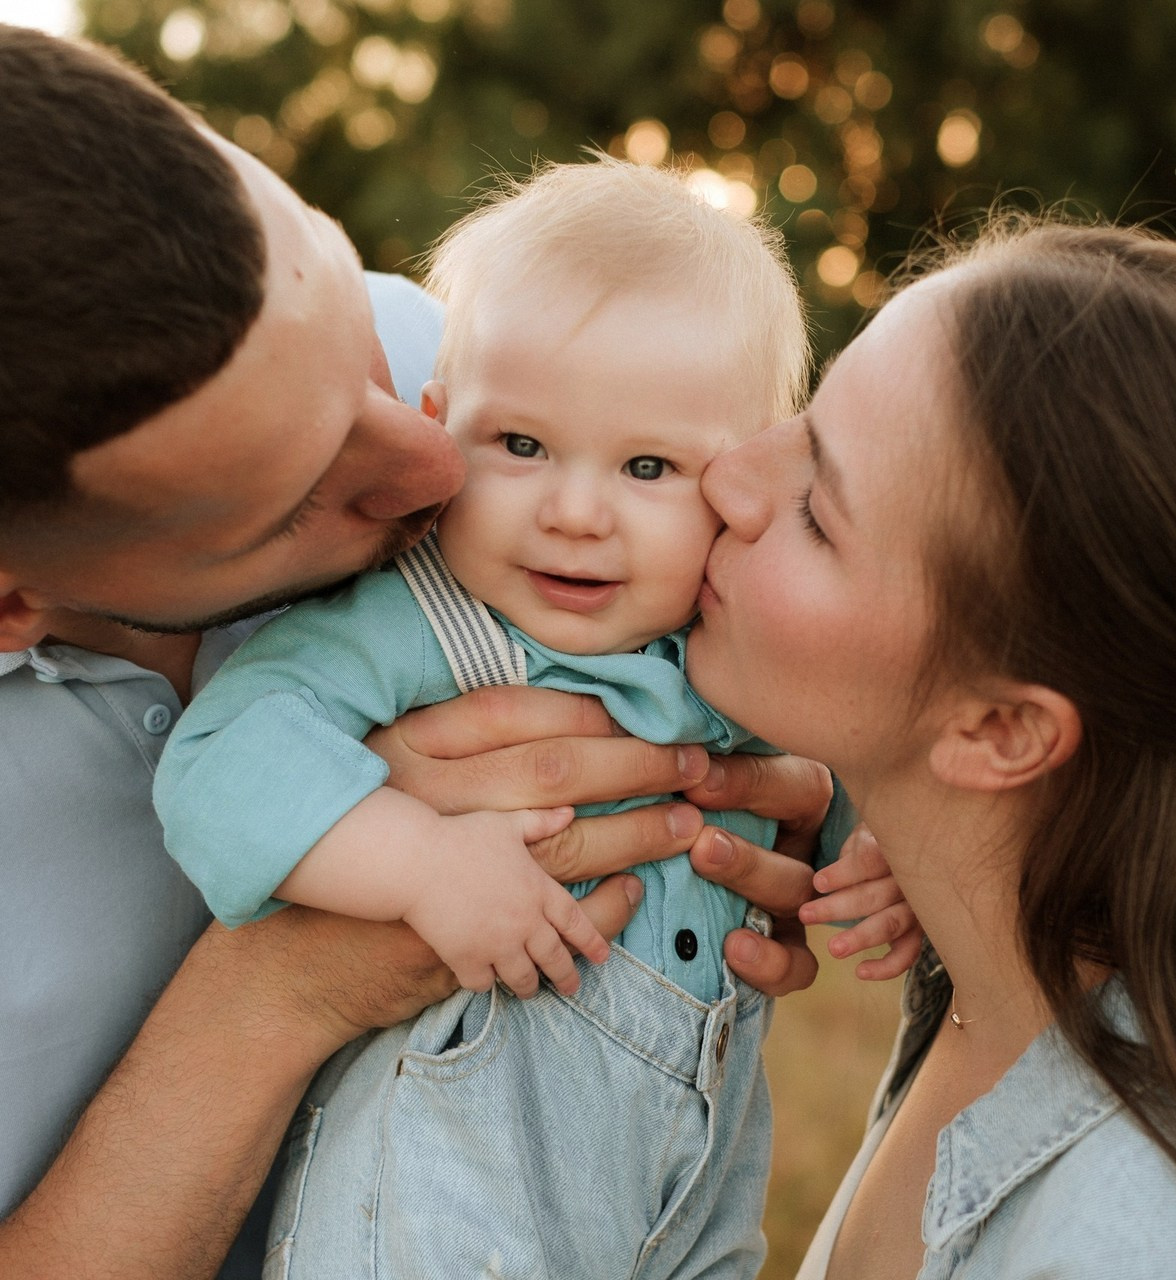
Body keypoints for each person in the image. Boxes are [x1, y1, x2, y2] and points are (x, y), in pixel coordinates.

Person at [0, 26, 829, 1280]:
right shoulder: (403, 622)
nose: (432, 469)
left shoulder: (487, 352)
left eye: (377, 353)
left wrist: (825, 817)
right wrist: (302, 965)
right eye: (292, 491)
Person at [152, 158, 915, 1278]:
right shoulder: (422, 623)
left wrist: (873, 851)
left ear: (740, 473)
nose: (572, 512)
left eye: (647, 465)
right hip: (444, 1195)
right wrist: (414, 861)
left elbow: (839, 768)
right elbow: (216, 761)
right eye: (519, 445)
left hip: (692, 1184)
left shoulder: (735, 646)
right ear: (437, 421)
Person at [683, 218, 1176, 1276]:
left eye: (816, 512)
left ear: (999, 731)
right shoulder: (989, 983)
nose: (727, 477)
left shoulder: (1137, 1245)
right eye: (801, 415)